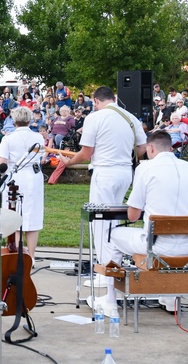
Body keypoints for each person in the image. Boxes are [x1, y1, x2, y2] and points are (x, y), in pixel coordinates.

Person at [96, 129, 188, 312]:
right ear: (170, 147)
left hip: (158, 247)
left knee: (113, 235)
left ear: (150, 148)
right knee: (163, 236)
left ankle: (110, 300)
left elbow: (133, 216)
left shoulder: (145, 168)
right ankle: (171, 298)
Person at [52, 86, 147, 290]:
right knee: (114, 221)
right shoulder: (131, 117)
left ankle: (106, 273)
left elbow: (86, 152)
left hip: (105, 171)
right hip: (125, 172)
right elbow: (142, 148)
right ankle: (114, 267)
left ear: (95, 101)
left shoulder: (95, 118)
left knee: (101, 223)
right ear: (113, 98)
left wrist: (68, 163)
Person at [0, 106, 45, 257]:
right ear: (29, 120)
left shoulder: (8, 138)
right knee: (33, 217)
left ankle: (17, 256)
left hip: (15, 177)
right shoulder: (39, 137)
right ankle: (31, 256)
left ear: (14, 120)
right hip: (34, 177)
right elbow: (40, 158)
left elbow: (1, 164)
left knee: (15, 216)